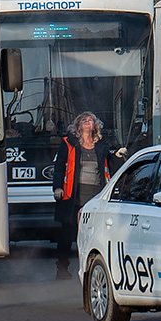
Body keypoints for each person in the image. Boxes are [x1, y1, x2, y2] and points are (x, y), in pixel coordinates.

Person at [51, 111, 126, 280]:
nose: (87, 122)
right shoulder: (68, 143)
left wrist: (118, 156)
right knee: (67, 234)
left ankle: (88, 270)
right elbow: (59, 168)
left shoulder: (102, 145)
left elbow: (113, 167)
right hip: (72, 196)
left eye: (90, 120)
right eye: (83, 119)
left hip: (95, 197)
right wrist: (57, 188)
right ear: (78, 126)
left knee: (91, 235)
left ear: (95, 126)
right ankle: (62, 268)